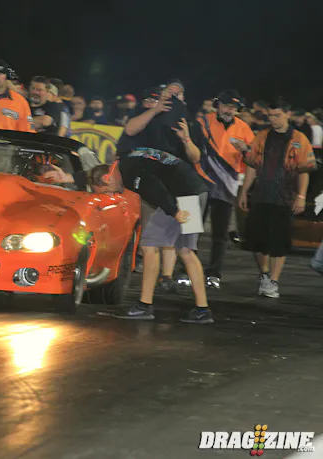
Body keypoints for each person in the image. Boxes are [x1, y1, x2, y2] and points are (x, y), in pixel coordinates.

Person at [109, 81, 213, 324]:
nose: (109, 187)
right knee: (185, 250)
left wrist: (175, 211)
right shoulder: (145, 124)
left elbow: (154, 188)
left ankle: (145, 305)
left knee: (149, 245)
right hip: (193, 190)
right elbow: (131, 129)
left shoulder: (130, 167)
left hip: (178, 193)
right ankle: (202, 309)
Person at [238, 98, 317, 299]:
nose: (273, 119)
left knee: (278, 242)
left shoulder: (299, 139)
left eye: (277, 115)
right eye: (270, 116)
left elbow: (304, 170)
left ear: (287, 115)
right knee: (257, 240)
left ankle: (273, 281)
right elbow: (252, 165)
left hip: (285, 197)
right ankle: (264, 275)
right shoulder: (262, 136)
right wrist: (244, 191)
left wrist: (301, 196)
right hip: (261, 195)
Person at [194, 90, 254, 288]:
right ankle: (185, 270)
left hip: (227, 187)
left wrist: (246, 150)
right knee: (191, 230)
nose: (229, 110)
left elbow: (254, 159)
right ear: (217, 105)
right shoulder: (202, 122)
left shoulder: (244, 128)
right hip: (198, 183)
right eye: (226, 105)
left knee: (220, 235)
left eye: (233, 107)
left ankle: (214, 273)